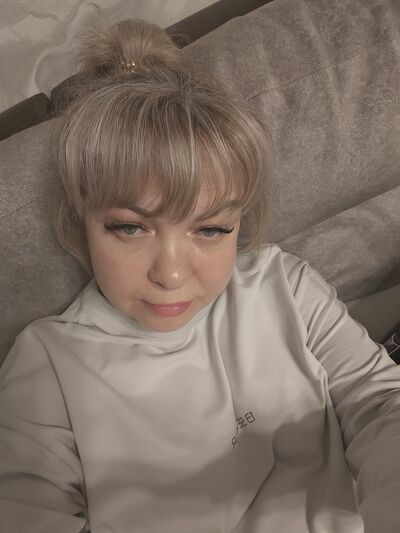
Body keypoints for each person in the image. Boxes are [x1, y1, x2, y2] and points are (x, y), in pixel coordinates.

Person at [0, 11, 399, 533]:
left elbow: (379, 402)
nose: (170, 275)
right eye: (130, 228)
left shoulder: (287, 287)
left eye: (210, 230)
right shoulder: (48, 364)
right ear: (82, 222)